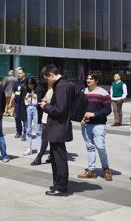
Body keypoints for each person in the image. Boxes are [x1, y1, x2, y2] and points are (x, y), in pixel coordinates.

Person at [40, 64, 74, 197]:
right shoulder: (66, 84)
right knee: (56, 157)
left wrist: (46, 106)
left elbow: (60, 109)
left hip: (58, 127)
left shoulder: (61, 86)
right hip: (60, 127)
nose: (47, 81)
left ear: (51, 75)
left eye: (46, 79)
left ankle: (61, 187)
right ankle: (58, 184)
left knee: (59, 158)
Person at [77, 74, 113, 181]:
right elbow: (80, 107)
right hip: (86, 124)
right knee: (90, 147)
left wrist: (94, 114)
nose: (88, 80)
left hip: (99, 124)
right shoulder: (84, 92)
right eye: (87, 78)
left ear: (96, 80)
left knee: (100, 146)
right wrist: (81, 117)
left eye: (91, 79)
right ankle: (91, 170)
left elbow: (107, 110)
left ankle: (106, 169)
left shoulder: (103, 93)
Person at [19, 77, 44, 156]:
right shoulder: (24, 90)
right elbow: (21, 101)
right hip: (27, 108)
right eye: (29, 84)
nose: (30, 86)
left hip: (36, 108)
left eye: (32, 84)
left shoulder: (39, 89)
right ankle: (28, 148)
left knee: (38, 129)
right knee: (28, 129)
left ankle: (40, 147)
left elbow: (42, 100)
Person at [31, 84, 53, 166]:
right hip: (46, 118)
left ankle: (39, 157)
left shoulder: (53, 90)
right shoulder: (50, 90)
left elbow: (53, 102)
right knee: (49, 139)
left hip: (48, 118)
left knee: (45, 139)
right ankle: (51, 156)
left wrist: (45, 102)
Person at [13, 67, 27, 139]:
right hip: (17, 103)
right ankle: (19, 132)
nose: (18, 74)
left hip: (24, 103)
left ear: (24, 73)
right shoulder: (16, 82)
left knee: (24, 119)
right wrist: (10, 103)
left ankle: (25, 133)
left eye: (20, 73)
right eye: (18, 73)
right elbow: (14, 92)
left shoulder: (27, 82)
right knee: (17, 118)